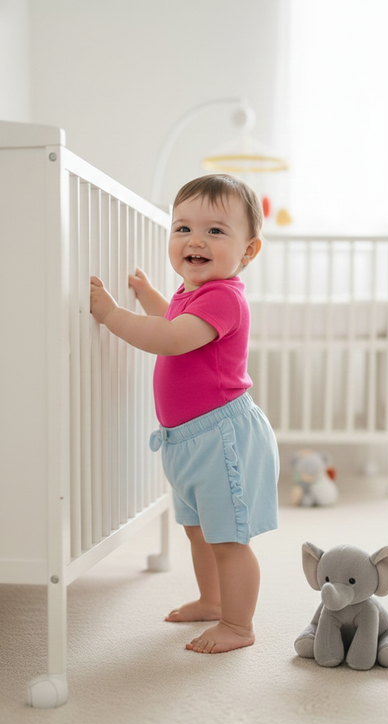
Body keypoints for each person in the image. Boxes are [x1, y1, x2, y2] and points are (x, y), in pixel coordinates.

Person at [90, 173, 279, 654]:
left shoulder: (224, 297)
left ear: (248, 250)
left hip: (222, 437)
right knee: (198, 531)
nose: (195, 240)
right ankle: (213, 601)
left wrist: (113, 315)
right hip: (188, 439)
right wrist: (149, 295)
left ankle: (239, 625)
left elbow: (172, 339)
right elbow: (173, 320)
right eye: (182, 228)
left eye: (216, 231)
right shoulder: (191, 293)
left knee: (228, 539)